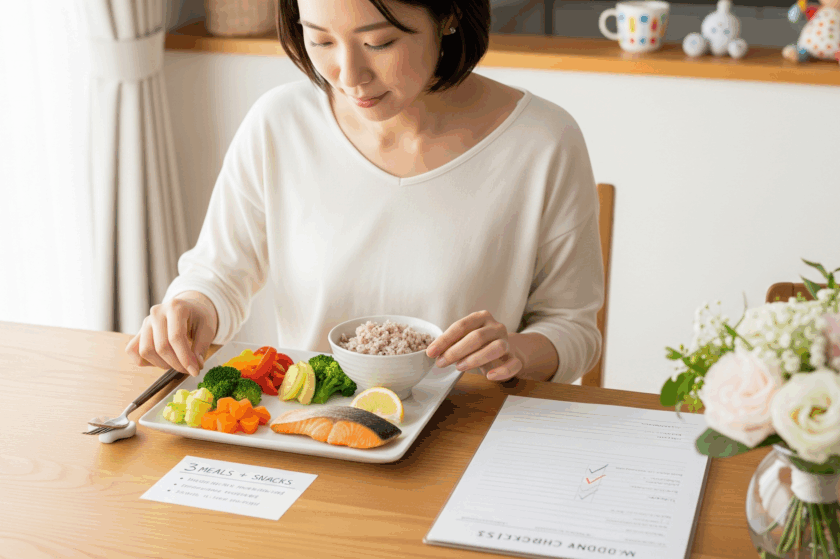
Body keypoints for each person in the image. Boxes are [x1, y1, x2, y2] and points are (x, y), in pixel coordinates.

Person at [126, 0, 604, 385]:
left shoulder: (542, 141)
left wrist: (516, 353)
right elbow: (219, 274)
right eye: (321, 40)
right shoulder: (280, 123)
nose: (349, 75)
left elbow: (574, 328)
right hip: (310, 431)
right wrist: (192, 308)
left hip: (469, 435)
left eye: (379, 43)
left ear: (449, 15)